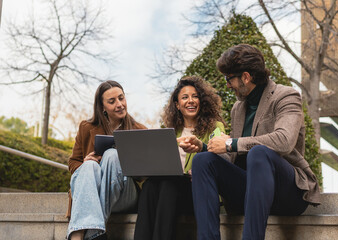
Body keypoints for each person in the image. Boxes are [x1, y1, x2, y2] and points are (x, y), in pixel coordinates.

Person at [179, 44, 321, 240]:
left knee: (259, 153)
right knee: (202, 161)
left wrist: (231, 143)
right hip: (250, 191)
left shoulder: (286, 96)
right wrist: (205, 147)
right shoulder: (238, 108)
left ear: (246, 77)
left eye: (229, 78)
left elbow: (284, 140)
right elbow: (235, 154)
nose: (227, 84)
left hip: (287, 192)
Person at [133, 76, 225, 240]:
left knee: (169, 184)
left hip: (196, 191)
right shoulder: (170, 131)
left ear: (202, 101)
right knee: (149, 187)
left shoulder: (215, 127)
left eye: (195, 96)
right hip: (168, 191)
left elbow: (220, 154)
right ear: (177, 104)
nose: (191, 101)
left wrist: (198, 169)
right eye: (185, 97)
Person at [66, 80, 147, 240]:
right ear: (102, 107)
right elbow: (72, 163)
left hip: (125, 194)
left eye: (121, 98)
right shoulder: (86, 127)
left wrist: (127, 162)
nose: (119, 104)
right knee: (89, 165)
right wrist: (85, 162)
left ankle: (78, 232)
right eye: (112, 101)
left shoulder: (139, 130)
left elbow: (145, 175)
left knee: (111, 155)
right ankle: (95, 235)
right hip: (92, 192)